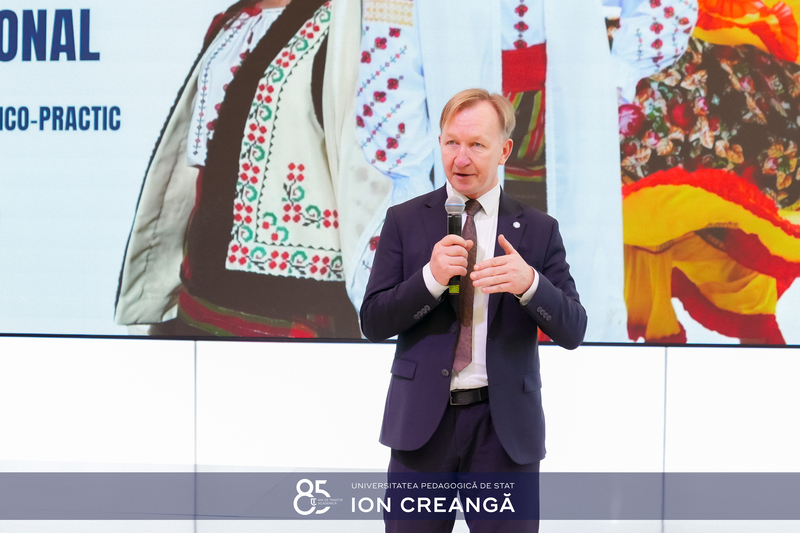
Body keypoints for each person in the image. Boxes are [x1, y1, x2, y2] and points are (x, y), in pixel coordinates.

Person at [360, 89, 587, 532]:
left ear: (504, 150)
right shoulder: (405, 220)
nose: (460, 159)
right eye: (451, 143)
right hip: (422, 428)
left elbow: (573, 329)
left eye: (477, 145)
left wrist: (530, 285)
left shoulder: (538, 230)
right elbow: (373, 321)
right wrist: (430, 278)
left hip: (504, 433)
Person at [115, 0, 366, 338]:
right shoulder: (233, 21)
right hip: (200, 283)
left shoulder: (346, 23)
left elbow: (367, 176)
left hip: (293, 296)